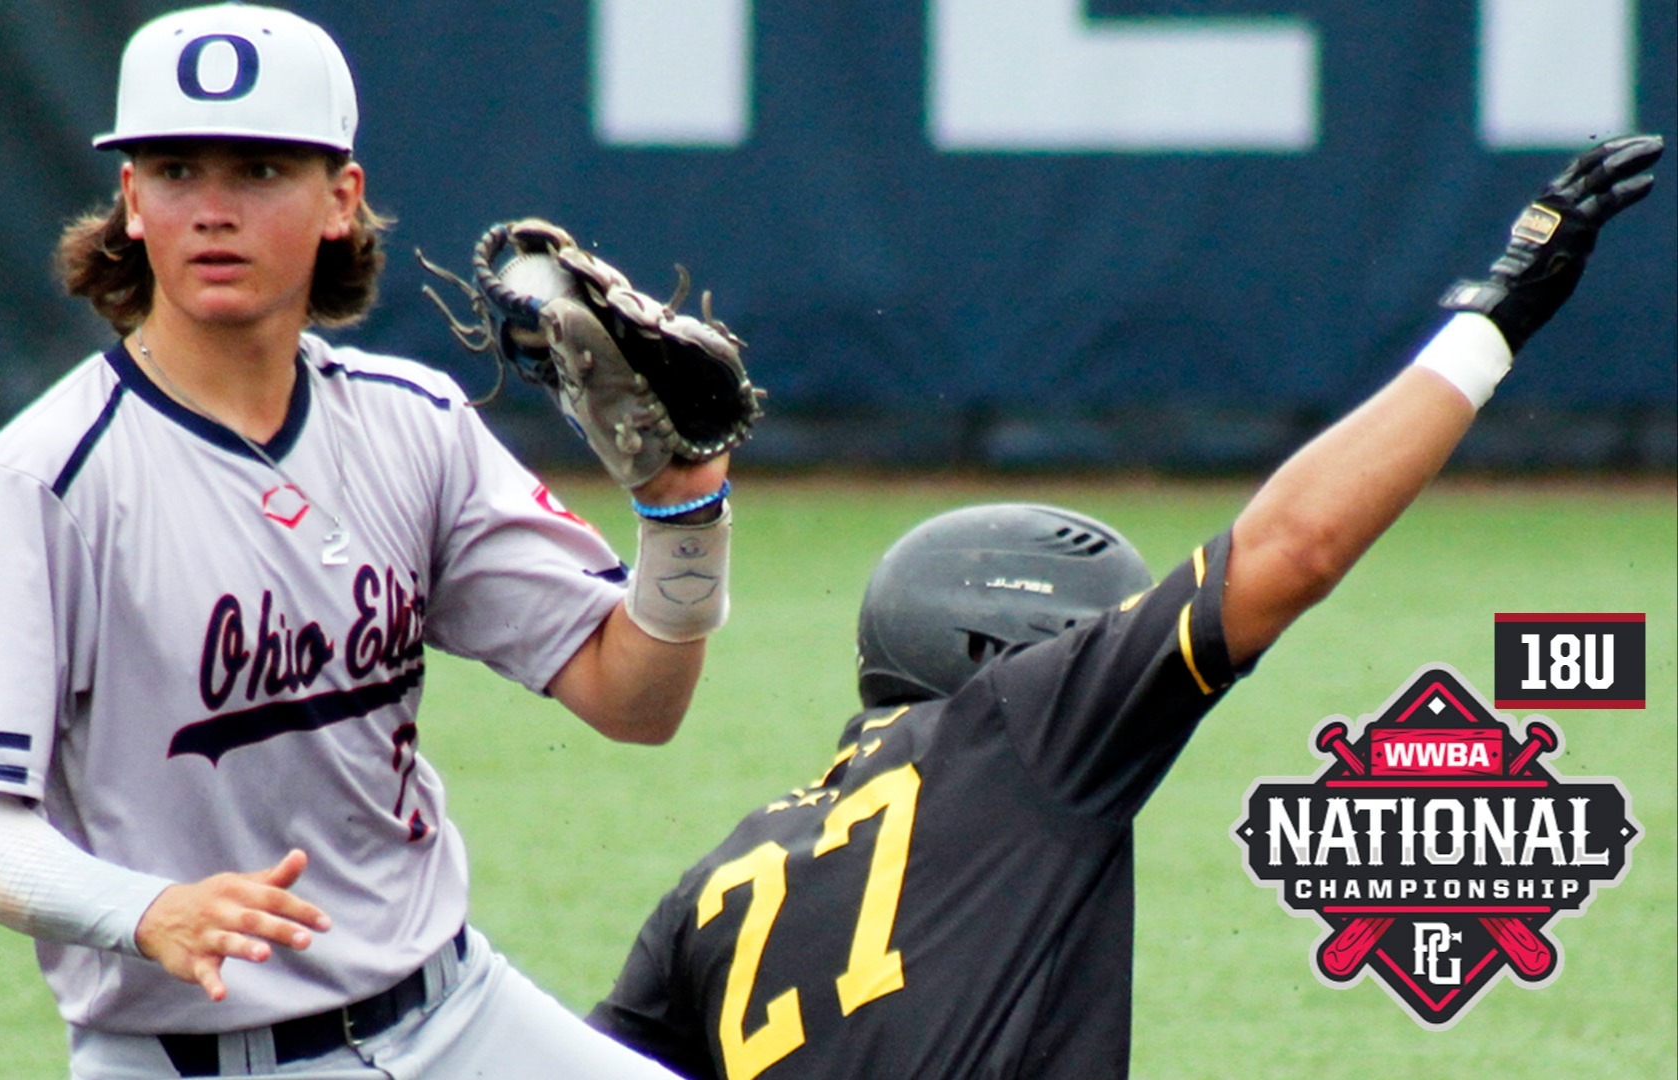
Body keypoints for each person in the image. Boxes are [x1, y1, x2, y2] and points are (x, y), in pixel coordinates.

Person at [585, 133, 1664, 1079]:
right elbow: (1296, 547)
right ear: (1014, 649)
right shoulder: (1021, 729)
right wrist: (1500, 315)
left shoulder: (718, 881)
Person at [0, 4, 726, 1078]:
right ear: (131, 203)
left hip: (459, 1016)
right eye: (174, 169)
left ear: (340, 200)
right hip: (184, 1057)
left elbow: (634, 701)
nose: (211, 209)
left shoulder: (410, 424)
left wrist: (683, 512)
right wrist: (144, 910)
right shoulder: (37, 486)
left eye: (257, 170)